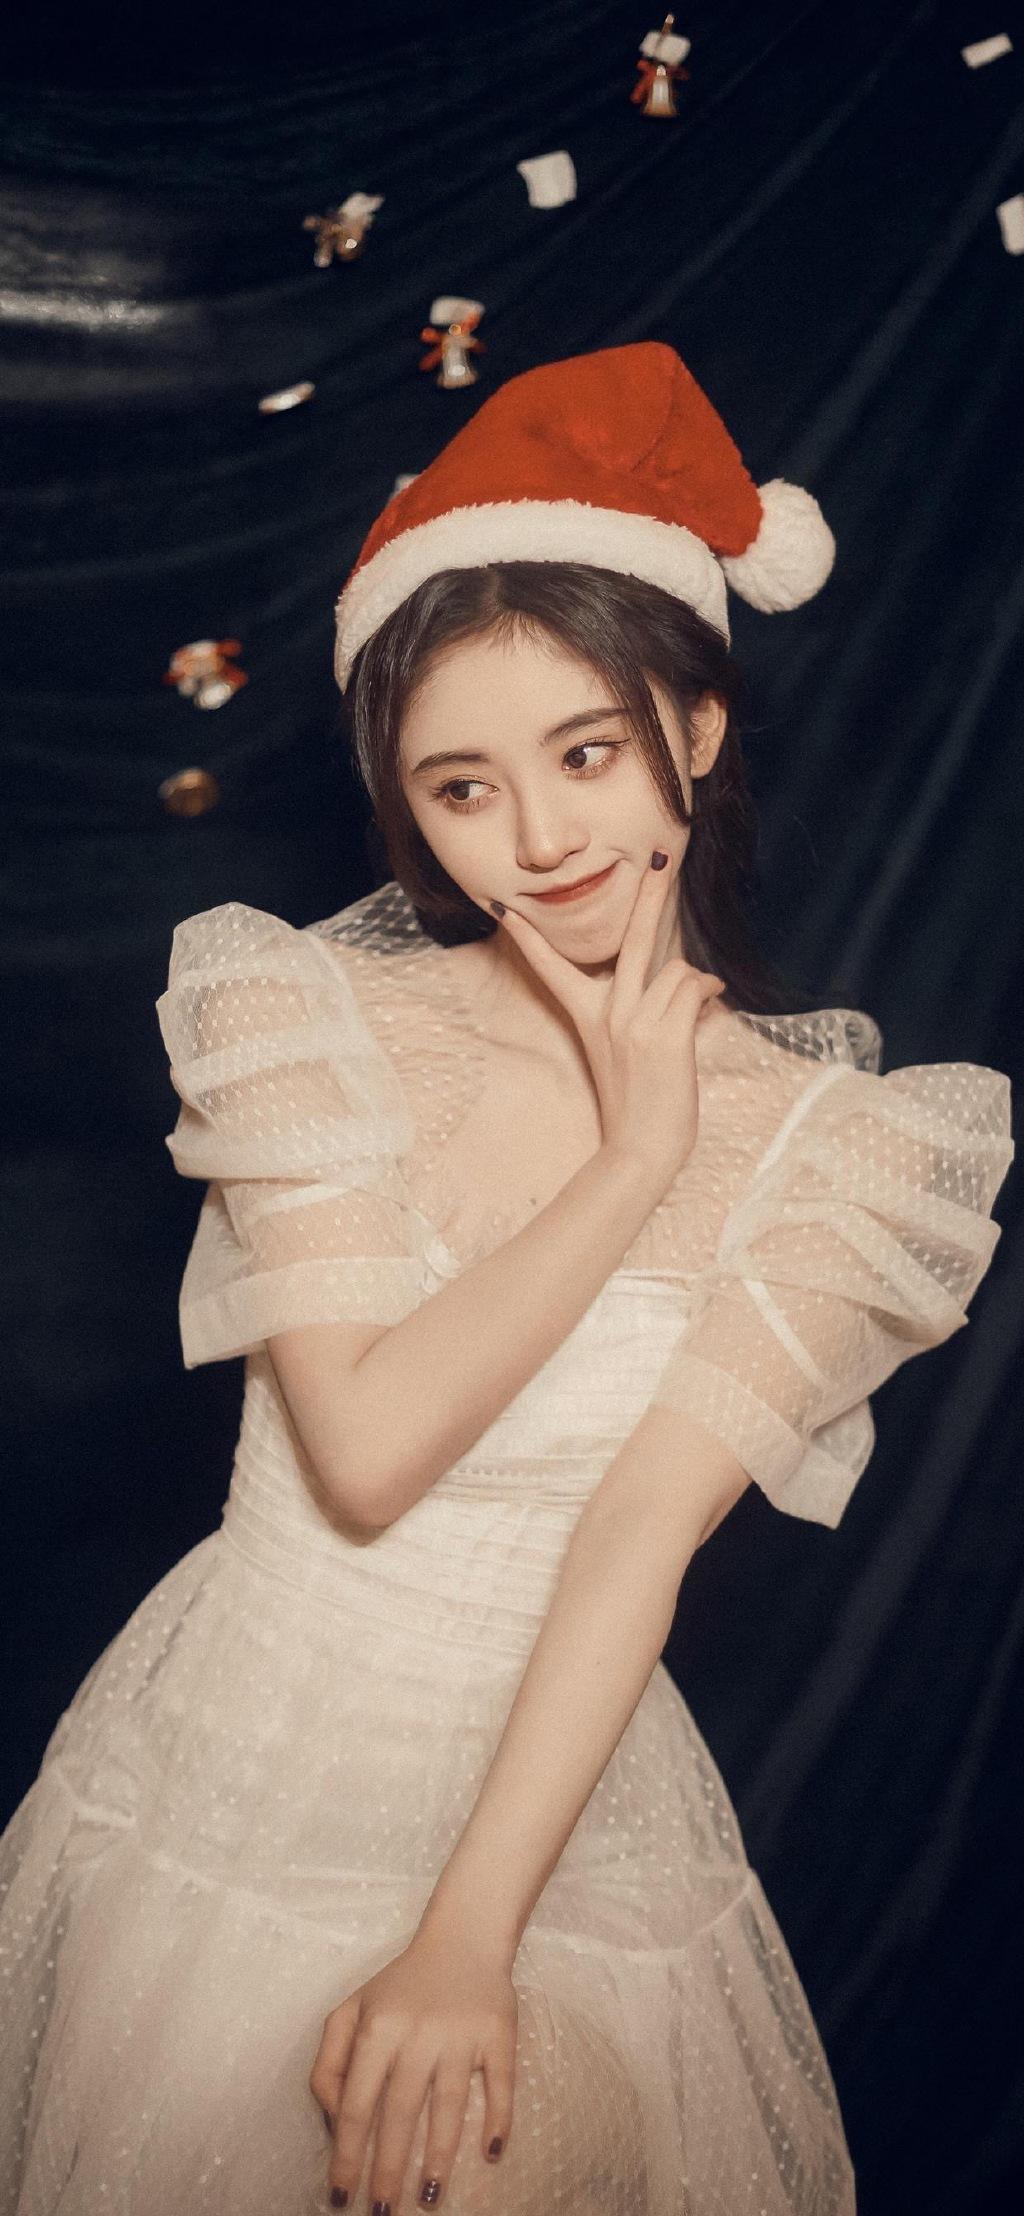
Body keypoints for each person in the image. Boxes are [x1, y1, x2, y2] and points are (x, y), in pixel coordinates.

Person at [0, 342, 1014, 2216]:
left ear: (694, 728)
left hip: (552, 1844)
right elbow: (367, 1449)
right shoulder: (300, 1010)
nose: (540, 842)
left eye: (587, 754)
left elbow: (633, 1541)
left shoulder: (840, 1148)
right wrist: (633, 1160)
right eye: (462, 788)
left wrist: (467, 1939)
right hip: (235, 1780)